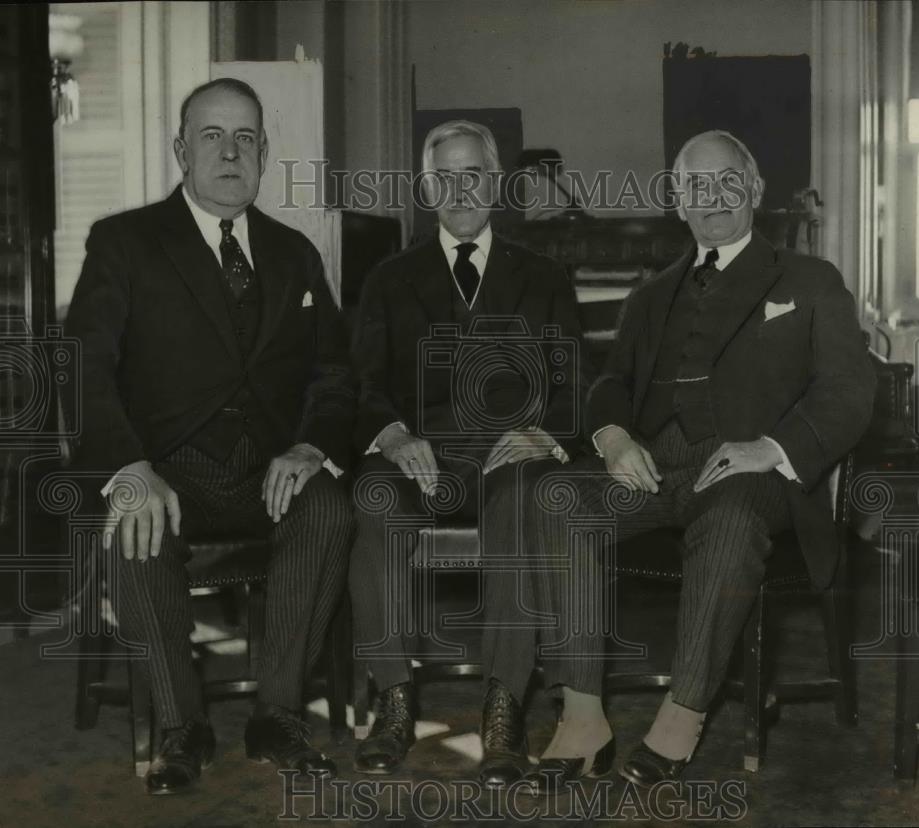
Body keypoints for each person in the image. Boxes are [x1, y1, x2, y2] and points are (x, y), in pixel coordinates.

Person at [523, 129, 877, 792]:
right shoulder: (651, 295)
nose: (712, 197)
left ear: (755, 189)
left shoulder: (810, 280)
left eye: (726, 181)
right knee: (554, 498)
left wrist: (772, 448)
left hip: (753, 475)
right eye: (695, 186)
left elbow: (849, 390)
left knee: (731, 518)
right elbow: (611, 383)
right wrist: (613, 438)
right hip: (657, 468)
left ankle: (680, 719)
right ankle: (582, 718)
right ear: (677, 202)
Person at [64, 78, 356, 795]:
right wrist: (129, 468)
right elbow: (83, 366)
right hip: (168, 472)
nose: (231, 152)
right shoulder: (124, 242)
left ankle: (279, 715)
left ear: (263, 154)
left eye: (246, 138)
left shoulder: (294, 253)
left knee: (328, 508)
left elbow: (335, 373)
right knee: (135, 522)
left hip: (268, 473)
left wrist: (309, 447)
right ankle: (180, 726)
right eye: (212, 136)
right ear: (181, 151)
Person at [349, 120, 586, 786]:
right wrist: (392, 434)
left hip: (511, 451)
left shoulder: (543, 276)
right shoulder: (389, 278)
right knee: (373, 497)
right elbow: (361, 382)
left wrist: (544, 434)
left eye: (472, 174)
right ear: (426, 189)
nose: (459, 190)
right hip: (419, 454)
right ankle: (394, 700)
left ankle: (504, 708)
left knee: (522, 500)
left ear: (496, 182)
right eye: (444, 177)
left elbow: (576, 385)